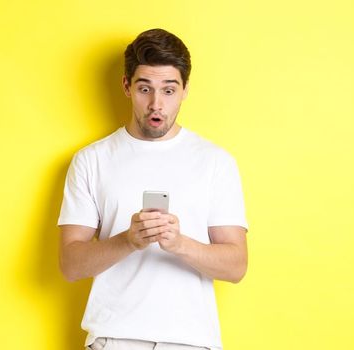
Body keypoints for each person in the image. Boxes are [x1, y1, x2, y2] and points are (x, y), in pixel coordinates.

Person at [58, 28, 248, 350]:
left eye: (169, 90)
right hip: (115, 339)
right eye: (145, 88)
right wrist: (128, 240)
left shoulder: (216, 162)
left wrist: (179, 243)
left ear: (185, 90)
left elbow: (236, 266)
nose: (156, 104)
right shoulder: (91, 160)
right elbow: (70, 265)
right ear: (126, 86)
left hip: (191, 342)